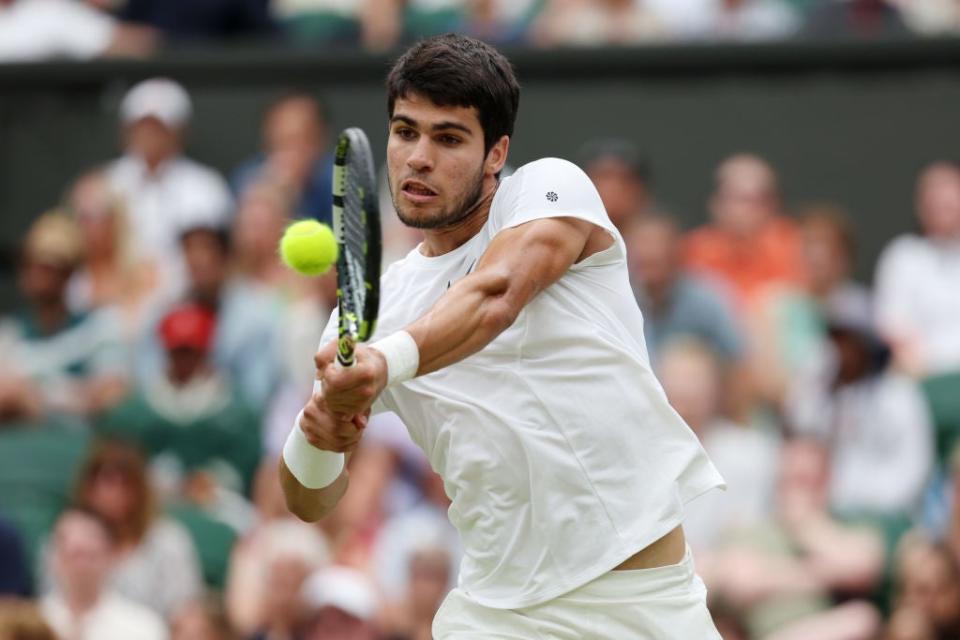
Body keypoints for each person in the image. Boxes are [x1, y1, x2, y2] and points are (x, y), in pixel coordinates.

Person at [280, 34, 725, 638]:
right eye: (406, 131)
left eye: (448, 138)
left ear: (497, 153)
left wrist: (383, 366)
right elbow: (311, 500)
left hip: (638, 602)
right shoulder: (367, 317)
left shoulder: (550, 192)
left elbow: (494, 297)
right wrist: (320, 425)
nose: (418, 157)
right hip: (496, 614)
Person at [106, 78, 233, 303]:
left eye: (159, 127)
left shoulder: (207, 187)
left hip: (189, 302)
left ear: (179, 132)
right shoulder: (107, 183)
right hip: (117, 302)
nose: (149, 135)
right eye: (142, 126)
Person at [41, 507, 168, 640]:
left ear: (111, 555)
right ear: (53, 558)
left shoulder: (144, 627)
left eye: (89, 555)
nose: (80, 568)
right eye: (73, 555)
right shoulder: (32, 623)